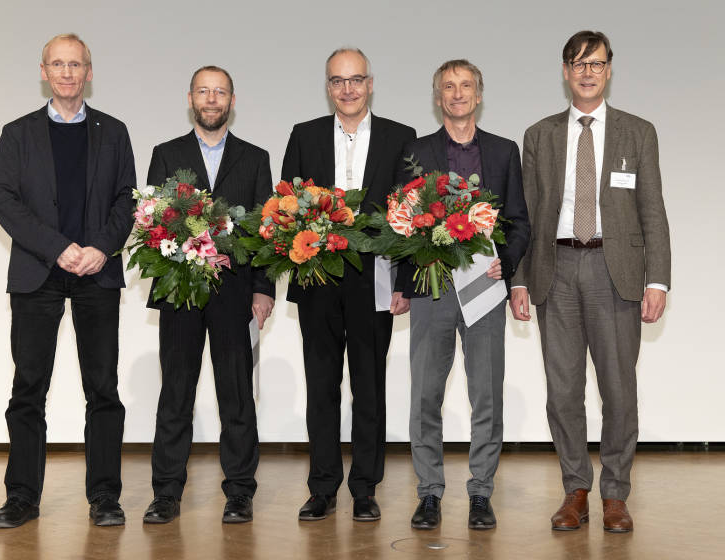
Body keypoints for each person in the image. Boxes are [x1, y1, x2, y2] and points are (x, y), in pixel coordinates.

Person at [510, 30, 671, 533]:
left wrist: (658, 280)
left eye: (596, 64)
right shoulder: (538, 135)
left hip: (614, 271)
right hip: (553, 270)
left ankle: (615, 494)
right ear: (565, 71)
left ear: (608, 70)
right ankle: (575, 489)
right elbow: (527, 214)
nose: (586, 72)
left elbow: (653, 211)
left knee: (619, 390)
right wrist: (517, 279)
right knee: (562, 392)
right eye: (578, 64)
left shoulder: (637, 132)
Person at [0, 33, 135, 528]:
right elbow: (5, 203)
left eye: (76, 64)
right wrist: (57, 247)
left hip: (97, 272)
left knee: (103, 389)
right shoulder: (17, 133)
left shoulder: (114, 132)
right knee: (29, 388)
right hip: (38, 273)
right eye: (58, 64)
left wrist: (99, 249)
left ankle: (105, 497)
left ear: (89, 72)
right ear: (44, 72)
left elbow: (126, 201)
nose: (68, 73)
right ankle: (22, 497)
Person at [281, 47, 416, 522]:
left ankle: (364, 487)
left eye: (356, 79)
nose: (348, 89)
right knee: (321, 387)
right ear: (328, 86)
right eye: (338, 81)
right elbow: (286, 204)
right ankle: (322, 487)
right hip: (318, 276)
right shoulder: (305, 135)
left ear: (371, 83)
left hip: (374, 280)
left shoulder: (402, 138)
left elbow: (409, 217)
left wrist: (405, 281)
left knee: (369, 387)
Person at [396, 60, 530, 530]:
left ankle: (480, 493)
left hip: (486, 288)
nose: (457, 94)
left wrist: (508, 264)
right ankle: (429, 493)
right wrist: (402, 283)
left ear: (479, 94)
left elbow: (518, 221)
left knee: (486, 395)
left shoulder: (503, 151)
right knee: (425, 396)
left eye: (465, 86)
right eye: (448, 87)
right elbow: (401, 220)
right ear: (438, 98)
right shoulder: (415, 151)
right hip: (432, 286)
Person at [142, 66, 275, 525]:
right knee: (175, 393)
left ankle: (239, 491)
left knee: (236, 394)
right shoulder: (166, 154)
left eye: (220, 92)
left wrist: (263, 289)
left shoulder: (256, 158)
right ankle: (166, 493)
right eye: (204, 91)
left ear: (232, 100)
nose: (211, 99)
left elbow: (264, 230)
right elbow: (153, 224)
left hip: (236, 293)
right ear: (191, 98)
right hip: (181, 291)